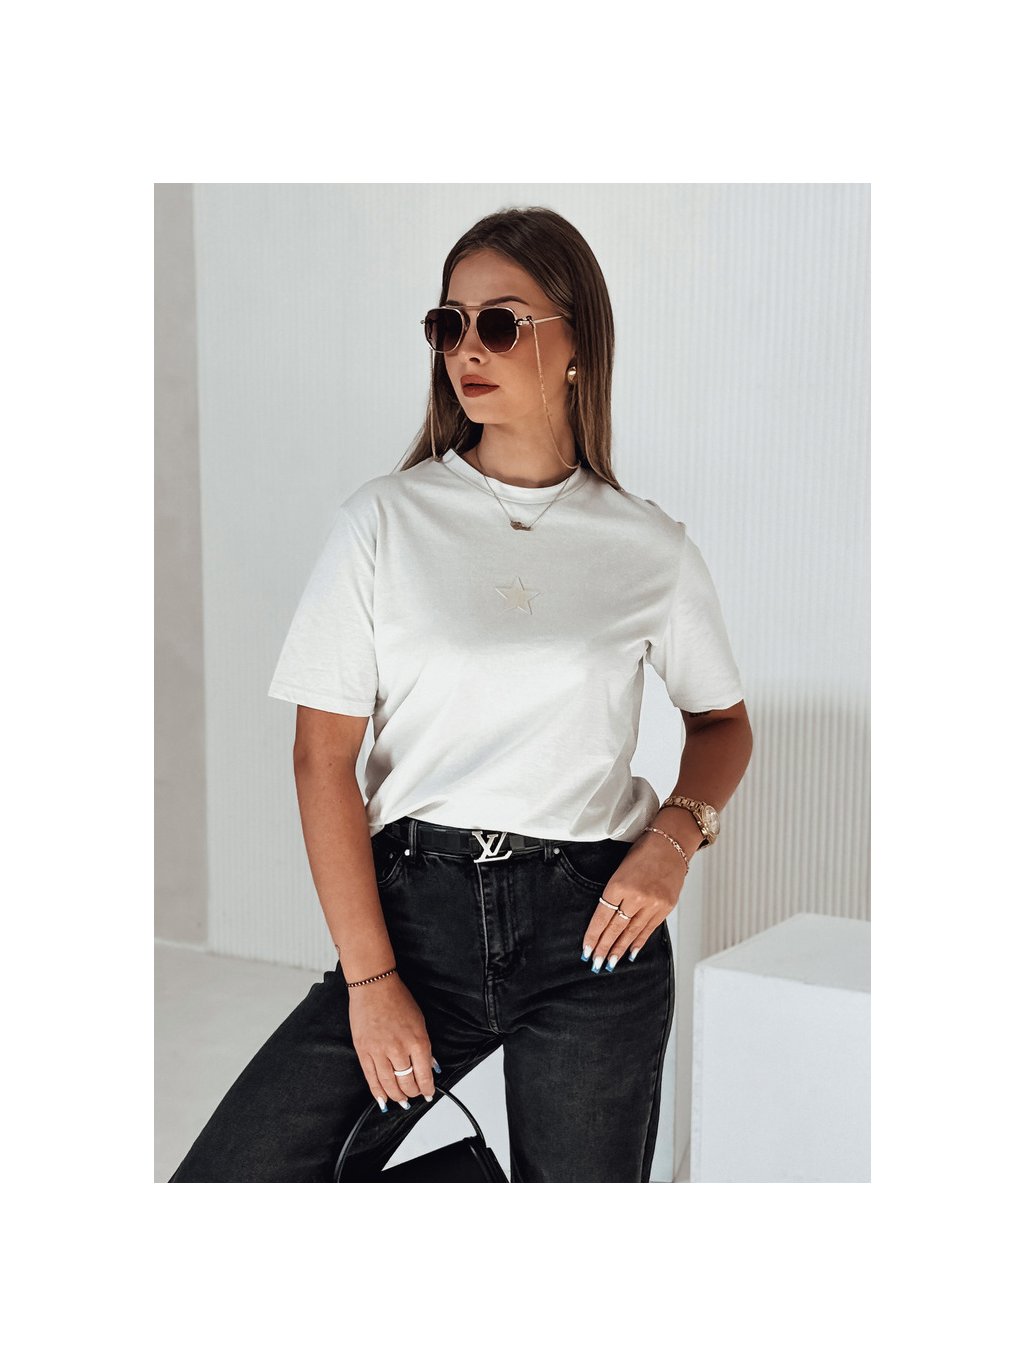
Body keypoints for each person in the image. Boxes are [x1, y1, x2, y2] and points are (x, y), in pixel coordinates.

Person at [169, 205, 753, 1183]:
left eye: (500, 323)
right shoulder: (382, 522)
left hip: (592, 934)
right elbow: (321, 759)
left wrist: (672, 840)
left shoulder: (649, 547)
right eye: (448, 324)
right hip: (414, 922)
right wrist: (372, 980)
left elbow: (722, 723)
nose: (465, 349)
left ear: (578, 342)